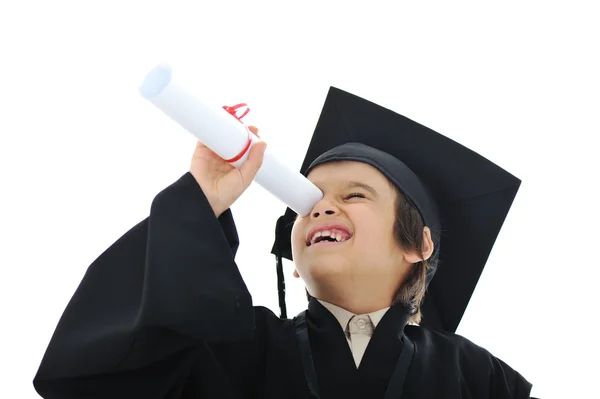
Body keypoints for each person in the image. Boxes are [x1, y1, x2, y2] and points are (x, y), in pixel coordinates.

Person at [33, 87, 535, 398]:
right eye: (308, 202)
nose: (320, 206)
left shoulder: (479, 378)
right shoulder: (231, 348)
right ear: (295, 263)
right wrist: (199, 204)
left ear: (419, 244)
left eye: (354, 194)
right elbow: (90, 380)